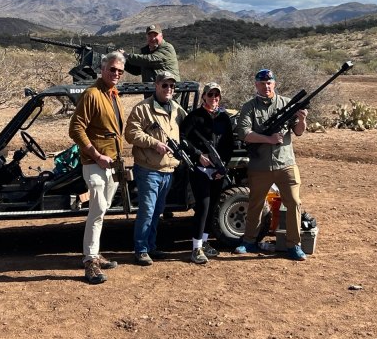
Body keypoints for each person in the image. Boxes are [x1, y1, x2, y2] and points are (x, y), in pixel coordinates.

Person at [235, 68, 308, 261]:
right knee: (255, 203)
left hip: (286, 163)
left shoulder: (286, 104)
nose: (266, 86)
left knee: (293, 202)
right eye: (262, 83)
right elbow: (244, 133)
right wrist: (268, 139)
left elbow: (298, 131)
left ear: (274, 84)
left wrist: (302, 119)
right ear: (256, 85)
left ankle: (294, 245)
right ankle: (249, 241)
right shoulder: (249, 107)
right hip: (260, 166)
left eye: (269, 83)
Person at [68, 51, 126, 283]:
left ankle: (94, 253)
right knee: (98, 208)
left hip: (111, 162)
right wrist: (96, 154)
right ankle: (90, 261)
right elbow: (76, 128)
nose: (116, 74)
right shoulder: (92, 94)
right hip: (95, 162)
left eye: (120, 71)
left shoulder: (113, 96)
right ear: (102, 69)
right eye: (112, 69)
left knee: (101, 211)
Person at [124, 71, 186, 266]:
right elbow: (131, 133)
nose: (168, 89)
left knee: (158, 210)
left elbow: (189, 127)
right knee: (147, 210)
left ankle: (151, 246)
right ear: (156, 85)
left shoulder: (177, 109)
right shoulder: (143, 109)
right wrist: (153, 143)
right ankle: (141, 249)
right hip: (148, 169)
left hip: (169, 169)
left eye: (172, 86)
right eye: (164, 85)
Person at [180, 82, 234, 264]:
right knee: (202, 207)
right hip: (200, 170)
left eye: (216, 95)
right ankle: (196, 248)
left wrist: (222, 167)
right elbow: (182, 138)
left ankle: (204, 243)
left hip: (217, 171)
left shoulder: (224, 118)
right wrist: (198, 156)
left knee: (212, 208)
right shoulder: (194, 117)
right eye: (210, 95)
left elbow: (229, 145)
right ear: (204, 96)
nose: (213, 98)